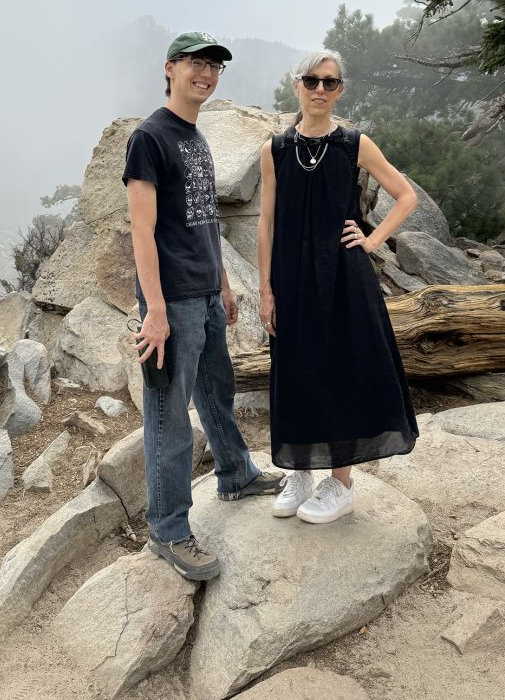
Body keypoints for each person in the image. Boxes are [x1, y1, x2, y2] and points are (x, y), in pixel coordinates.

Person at [123, 31, 283, 581]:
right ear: (169, 68)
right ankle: (168, 529)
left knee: (219, 388)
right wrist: (156, 310)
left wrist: (222, 282)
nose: (206, 73)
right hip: (170, 303)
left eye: (214, 66)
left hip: (206, 293)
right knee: (168, 416)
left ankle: (236, 474)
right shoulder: (149, 137)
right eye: (195, 63)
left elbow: (203, 219)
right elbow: (141, 231)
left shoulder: (195, 135)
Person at [257, 49, 419, 524]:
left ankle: (341, 482)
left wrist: (370, 240)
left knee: (341, 369)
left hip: (342, 276)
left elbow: (405, 195)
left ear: (341, 89)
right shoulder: (276, 150)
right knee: (296, 368)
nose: (320, 90)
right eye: (312, 81)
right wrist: (265, 289)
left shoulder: (353, 144)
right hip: (291, 277)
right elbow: (265, 223)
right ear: (297, 86)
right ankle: (301, 471)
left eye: (330, 83)